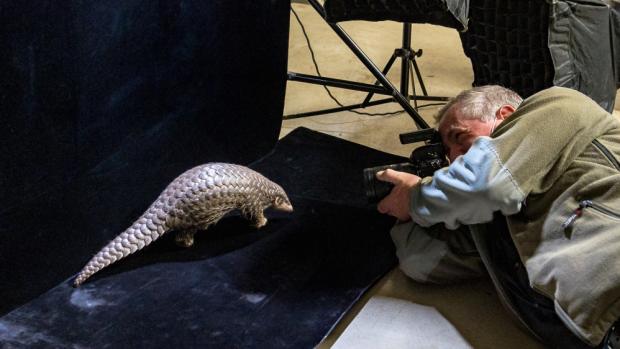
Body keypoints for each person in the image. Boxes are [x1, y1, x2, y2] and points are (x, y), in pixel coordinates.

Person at [376, 85, 620, 348]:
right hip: (590, 333)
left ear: (505, 114)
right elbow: (419, 260)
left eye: (459, 137)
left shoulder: (560, 103)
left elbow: (488, 186)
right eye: (448, 155)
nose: (455, 159)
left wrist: (416, 197)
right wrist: (405, 209)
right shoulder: (490, 211)